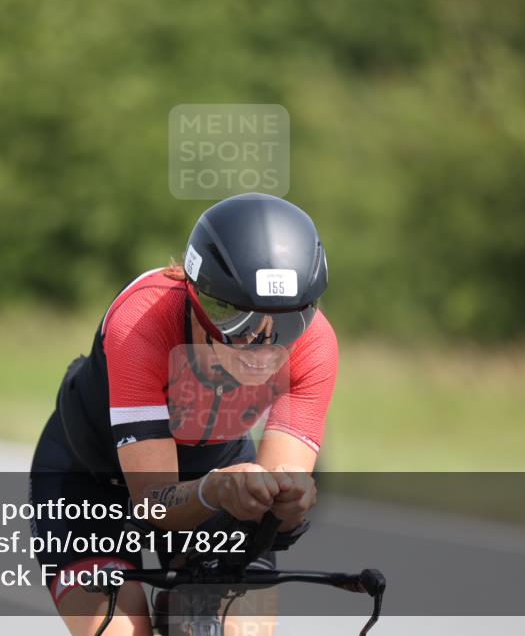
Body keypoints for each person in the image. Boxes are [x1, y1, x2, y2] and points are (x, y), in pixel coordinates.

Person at [29, 192, 338, 635]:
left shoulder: (314, 346)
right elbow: (154, 501)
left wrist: (288, 504)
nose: (264, 346)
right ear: (199, 297)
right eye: (237, 320)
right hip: (90, 480)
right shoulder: (142, 322)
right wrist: (214, 491)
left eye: (289, 319)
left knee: (240, 631)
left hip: (217, 469)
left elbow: (271, 509)